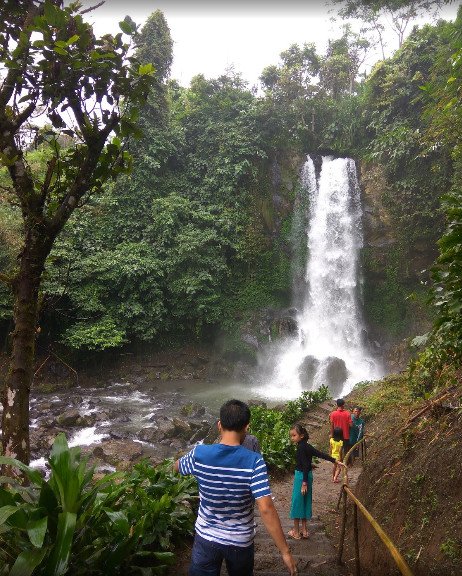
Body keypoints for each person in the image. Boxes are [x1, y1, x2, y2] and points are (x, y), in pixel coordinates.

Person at [174, 399, 297, 576]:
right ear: (246, 427)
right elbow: (266, 508)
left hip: (206, 538)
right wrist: (285, 551)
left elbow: (177, 466)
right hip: (240, 542)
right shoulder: (255, 462)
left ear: (219, 425)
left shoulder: (199, 454)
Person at [288, 423, 346, 540]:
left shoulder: (300, 448)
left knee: (297, 502)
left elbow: (304, 465)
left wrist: (304, 483)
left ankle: (296, 531)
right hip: (308, 476)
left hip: (301, 477)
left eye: (294, 435)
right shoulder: (307, 446)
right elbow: (320, 454)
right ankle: (304, 530)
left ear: (302, 435)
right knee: (305, 502)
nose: (292, 438)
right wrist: (335, 460)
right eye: (291, 436)